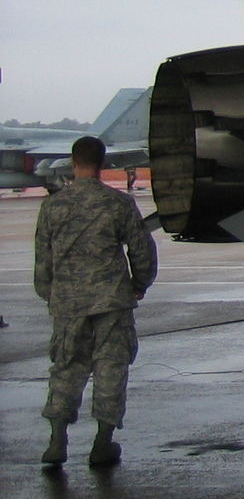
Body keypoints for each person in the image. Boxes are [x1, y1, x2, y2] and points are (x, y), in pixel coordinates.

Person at [35, 135, 156, 468]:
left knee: (66, 369)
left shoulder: (52, 206)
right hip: (111, 302)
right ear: (102, 164)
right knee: (111, 369)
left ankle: (57, 440)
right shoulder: (118, 204)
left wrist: (54, 295)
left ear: (74, 164)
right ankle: (102, 443)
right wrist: (139, 284)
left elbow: (43, 261)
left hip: (69, 304)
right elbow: (142, 249)